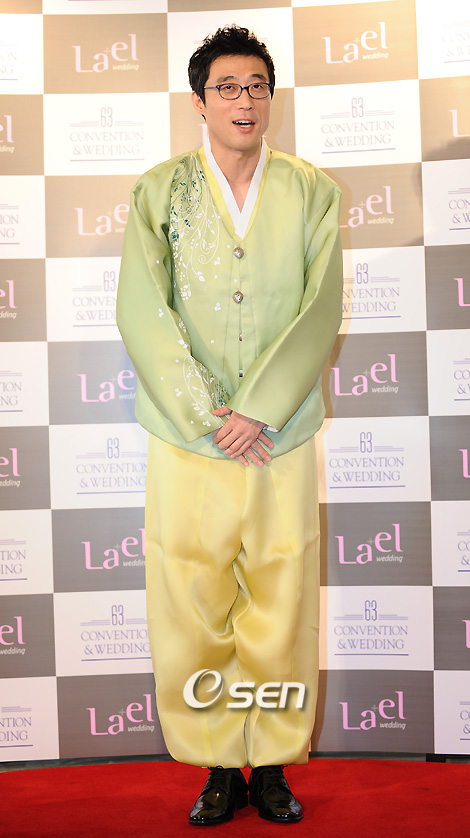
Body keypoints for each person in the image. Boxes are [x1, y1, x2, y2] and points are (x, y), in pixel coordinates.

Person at [117, 24, 342, 826]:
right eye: (226, 87)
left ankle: (272, 764)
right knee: (192, 599)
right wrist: (204, 413)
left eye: (256, 86)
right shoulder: (159, 192)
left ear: (270, 97)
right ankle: (217, 765)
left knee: (282, 597)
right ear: (199, 101)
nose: (243, 100)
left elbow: (321, 306)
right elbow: (141, 308)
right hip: (191, 438)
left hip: (280, 436)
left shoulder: (312, 191)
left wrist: (261, 409)